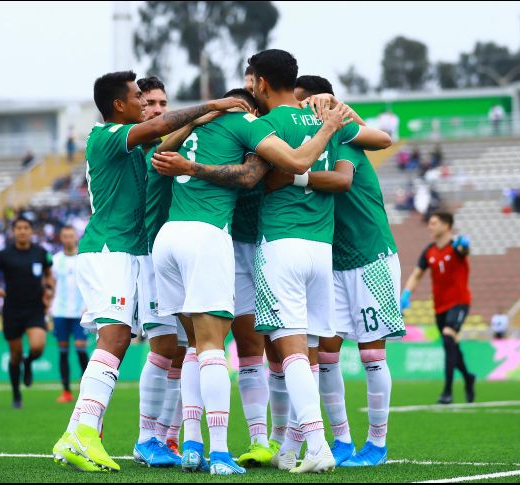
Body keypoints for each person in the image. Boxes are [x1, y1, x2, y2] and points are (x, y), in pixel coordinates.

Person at [152, 49, 391, 474]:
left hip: (279, 246)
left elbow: (259, 174)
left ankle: (314, 445)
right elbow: (379, 140)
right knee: (312, 352)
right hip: (323, 251)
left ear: (261, 83)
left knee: (286, 351)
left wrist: (199, 136)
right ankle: (295, 444)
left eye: (250, 84)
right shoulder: (323, 118)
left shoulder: (261, 125)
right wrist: (336, 116)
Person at [50, 70, 252, 474]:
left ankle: (89, 433)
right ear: (119, 106)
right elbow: (161, 127)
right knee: (117, 335)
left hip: (146, 254)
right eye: (138, 99)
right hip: (111, 249)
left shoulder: (149, 146)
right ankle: (87, 432)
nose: (147, 106)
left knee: (165, 344)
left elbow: (166, 138)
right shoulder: (104, 136)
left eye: (155, 102)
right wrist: (213, 106)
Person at [292, 75, 404, 468]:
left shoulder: (345, 139)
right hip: (332, 260)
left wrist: (292, 175)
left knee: (372, 352)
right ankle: (340, 441)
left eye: (306, 103)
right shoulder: (303, 144)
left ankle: (376, 445)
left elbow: (343, 178)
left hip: (370, 255)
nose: (300, 110)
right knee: (326, 353)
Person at [131, 75, 186, 468]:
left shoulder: (177, 141)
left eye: (163, 103)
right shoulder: (144, 144)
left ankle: (168, 436)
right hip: (151, 256)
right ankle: (145, 436)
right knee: (164, 348)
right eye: (150, 103)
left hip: (183, 256)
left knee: (185, 352)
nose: (158, 110)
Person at [401, 211, 476, 405]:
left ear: (446, 225)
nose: (430, 226)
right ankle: (468, 377)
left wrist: (466, 246)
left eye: (434, 223)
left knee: (449, 335)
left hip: (459, 302)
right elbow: (417, 275)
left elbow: (464, 251)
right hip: (439, 306)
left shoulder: (457, 246)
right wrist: (406, 294)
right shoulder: (429, 251)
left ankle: (447, 391)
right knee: (450, 344)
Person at [0, 216, 55, 409]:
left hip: (35, 309)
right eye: (19, 228)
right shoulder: (4, 255)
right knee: (15, 355)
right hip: (12, 310)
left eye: (26, 227)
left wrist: (48, 290)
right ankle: (16, 394)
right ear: (14, 231)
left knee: (38, 347)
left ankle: (28, 362)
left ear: (31, 231)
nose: (22, 231)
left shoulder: (41, 253)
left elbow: (49, 276)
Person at [50, 226, 88, 404]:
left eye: (70, 236)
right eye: (64, 236)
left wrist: (89, 306)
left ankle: (87, 387)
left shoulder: (84, 258)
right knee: (63, 352)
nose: (67, 239)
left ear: (76, 238)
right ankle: (66, 391)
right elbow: (50, 286)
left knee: (81, 349)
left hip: (80, 313)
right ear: (61, 238)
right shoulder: (55, 261)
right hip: (60, 312)